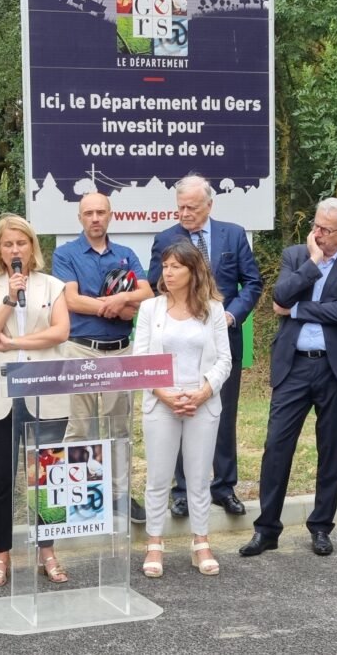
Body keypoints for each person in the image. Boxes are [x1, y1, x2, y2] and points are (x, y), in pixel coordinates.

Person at [239, 197, 337, 558]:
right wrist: (314, 261)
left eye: (326, 230)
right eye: (315, 226)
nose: (317, 233)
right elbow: (279, 294)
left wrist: (297, 310)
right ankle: (267, 529)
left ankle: (321, 527)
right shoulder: (297, 255)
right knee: (276, 446)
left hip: (335, 369)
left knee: (331, 449)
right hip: (294, 365)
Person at [148, 174, 263, 517]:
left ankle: (224, 487)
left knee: (222, 413)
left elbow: (253, 283)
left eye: (192, 207)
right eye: (180, 207)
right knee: (182, 409)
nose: (185, 213)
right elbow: (157, 286)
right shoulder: (166, 238)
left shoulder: (233, 234)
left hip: (223, 337)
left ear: (209, 205)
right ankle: (182, 491)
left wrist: (230, 316)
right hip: (180, 342)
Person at [0, 214, 71, 587]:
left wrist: (13, 343)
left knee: (48, 477)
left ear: (32, 248)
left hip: (46, 392)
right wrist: (10, 300)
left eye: (22, 243)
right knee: (1, 480)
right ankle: (1, 555)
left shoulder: (53, 286)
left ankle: (48, 551)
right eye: (8, 244)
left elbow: (61, 332)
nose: (15, 250)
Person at [52, 192, 154, 523]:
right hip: (80, 349)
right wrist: (112, 306)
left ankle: (119, 497)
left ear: (111, 216)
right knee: (80, 429)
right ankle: (78, 499)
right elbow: (71, 299)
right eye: (88, 213)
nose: (95, 218)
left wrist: (122, 296)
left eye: (100, 212)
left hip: (121, 350)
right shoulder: (65, 254)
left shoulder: (126, 254)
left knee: (119, 429)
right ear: (80, 218)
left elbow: (147, 294)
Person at [134, 240, 232, 577]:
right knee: (159, 477)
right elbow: (140, 359)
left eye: (176, 266)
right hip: (162, 402)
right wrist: (164, 393)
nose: (168, 272)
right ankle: (154, 543)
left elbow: (224, 360)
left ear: (193, 271)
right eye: (165, 266)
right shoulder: (151, 309)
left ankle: (200, 541)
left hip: (201, 404)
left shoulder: (214, 310)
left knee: (199, 476)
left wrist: (204, 392)